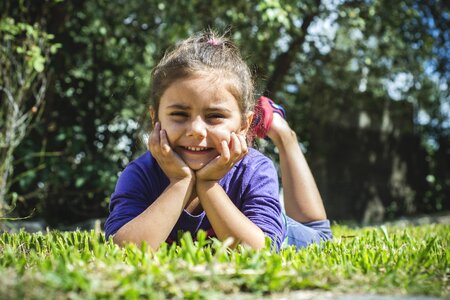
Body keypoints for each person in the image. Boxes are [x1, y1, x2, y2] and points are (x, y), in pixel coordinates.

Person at [104, 31, 331, 251]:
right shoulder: (140, 173)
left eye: (215, 116)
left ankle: (281, 132)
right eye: (180, 115)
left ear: (243, 125)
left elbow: (258, 252)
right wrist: (180, 181)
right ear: (155, 117)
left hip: (287, 231)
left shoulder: (255, 170)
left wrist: (208, 185)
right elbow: (120, 249)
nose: (196, 130)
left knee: (321, 234)